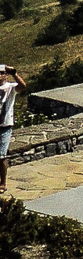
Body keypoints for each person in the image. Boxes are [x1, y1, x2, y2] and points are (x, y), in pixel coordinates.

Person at [0, 62, 25, 194]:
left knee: (1, 155)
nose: (0, 76)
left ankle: (3, 182)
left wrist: (14, 73)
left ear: (6, 75)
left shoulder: (10, 87)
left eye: (2, 73)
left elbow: (22, 86)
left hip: (5, 125)